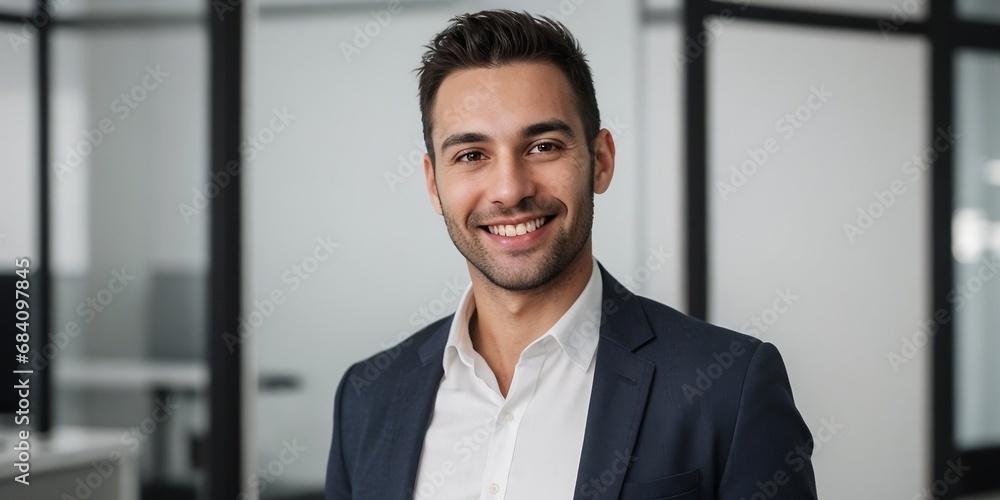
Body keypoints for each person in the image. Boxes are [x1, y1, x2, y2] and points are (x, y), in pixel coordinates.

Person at [326, 9, 816, 500]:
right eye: (472, 155)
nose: (510, 190)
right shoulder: (368, 397)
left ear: (600, 161)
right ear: (434, 183)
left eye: (542, 146)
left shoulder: (728, 387)